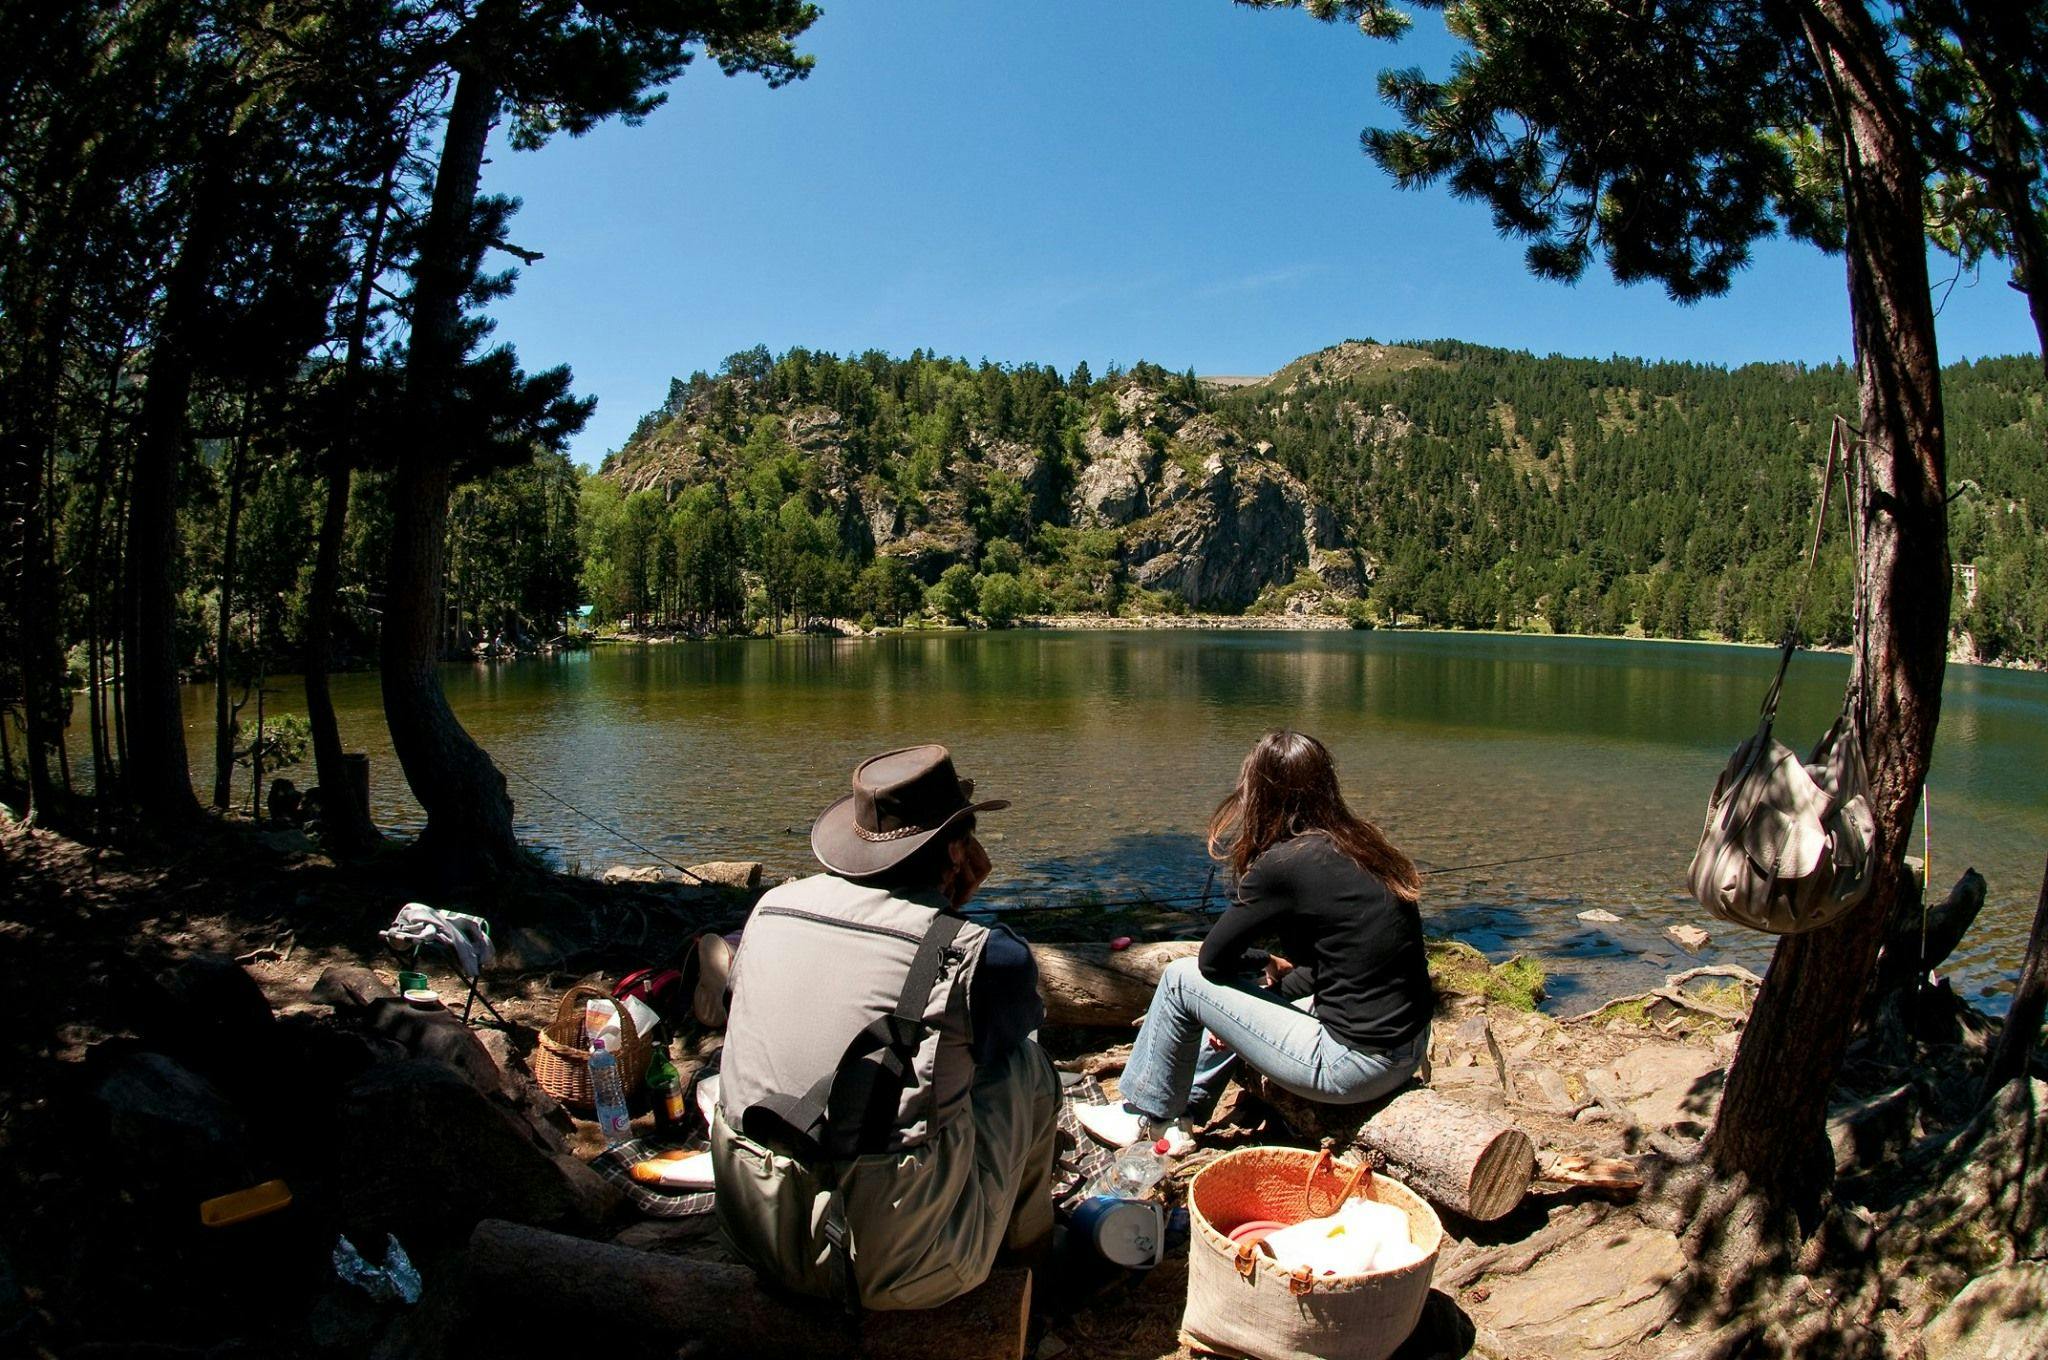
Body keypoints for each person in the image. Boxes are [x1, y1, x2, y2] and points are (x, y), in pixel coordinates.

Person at [709, 745, 1059, 1311]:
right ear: (956, 851)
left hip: (752, 1225)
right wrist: (956, 914)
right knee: (1026, 1069)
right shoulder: (983, 955)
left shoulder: (770, 908)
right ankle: (1028, 1269)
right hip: (886, 1266)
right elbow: (1002, 1041)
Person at [1077, 729, 1432, 1150]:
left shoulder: (1285, 863)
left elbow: (1210, 964)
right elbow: (1335, 965)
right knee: (1238, 1000)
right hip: (1407, 1045)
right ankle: (1184, 1113)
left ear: (1259, 792)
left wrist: (1258, 965)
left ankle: (1139, 1114)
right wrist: (1260, 993)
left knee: (1179, 978)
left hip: (1351, 1065)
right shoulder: (1362, 844)